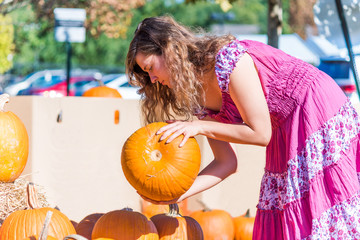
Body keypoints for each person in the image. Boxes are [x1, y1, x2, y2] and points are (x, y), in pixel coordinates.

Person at [126, 15, 360, 239]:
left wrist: (199, 127)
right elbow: (226, 163)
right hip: (283, 127)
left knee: (317, 210)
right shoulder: (196, 96)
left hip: (313, 108)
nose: (153, 80)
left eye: (150, 68)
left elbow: (260, 133)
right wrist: (175, 194)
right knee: (283, 209)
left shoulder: (226, 60)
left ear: (169, 50)